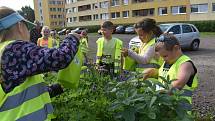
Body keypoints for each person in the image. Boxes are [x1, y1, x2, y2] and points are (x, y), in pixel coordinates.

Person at [0, 6, 79, 121]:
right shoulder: (14, 49)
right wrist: (72, 38)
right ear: (20, 26)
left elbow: (17, 93)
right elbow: (61, 57)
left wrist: (56, 88)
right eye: (28, 28)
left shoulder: (3, 52)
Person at [143, 34, 198, 109]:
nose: (163, 59)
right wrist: (153, 72)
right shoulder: (168, 61)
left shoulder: (185, 64)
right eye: (161, 57)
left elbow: (178, 84)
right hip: (166, 107)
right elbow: (164, 75)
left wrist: (157, 94)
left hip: (180, 110)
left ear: (176, 48)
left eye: (165, 56)